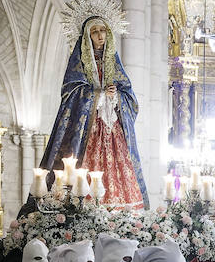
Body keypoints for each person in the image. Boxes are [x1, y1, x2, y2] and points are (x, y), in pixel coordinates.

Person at [39, 15, 150, 210]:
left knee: (120, 170)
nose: (100, 36)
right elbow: (70, 93)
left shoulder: (114, 65)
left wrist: (116, 96)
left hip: (113, 130)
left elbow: (130, 99)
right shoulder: (79, 64)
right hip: (86, 132)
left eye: (103, 31)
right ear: (87, 37)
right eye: (95, 32)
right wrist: (97, 94)